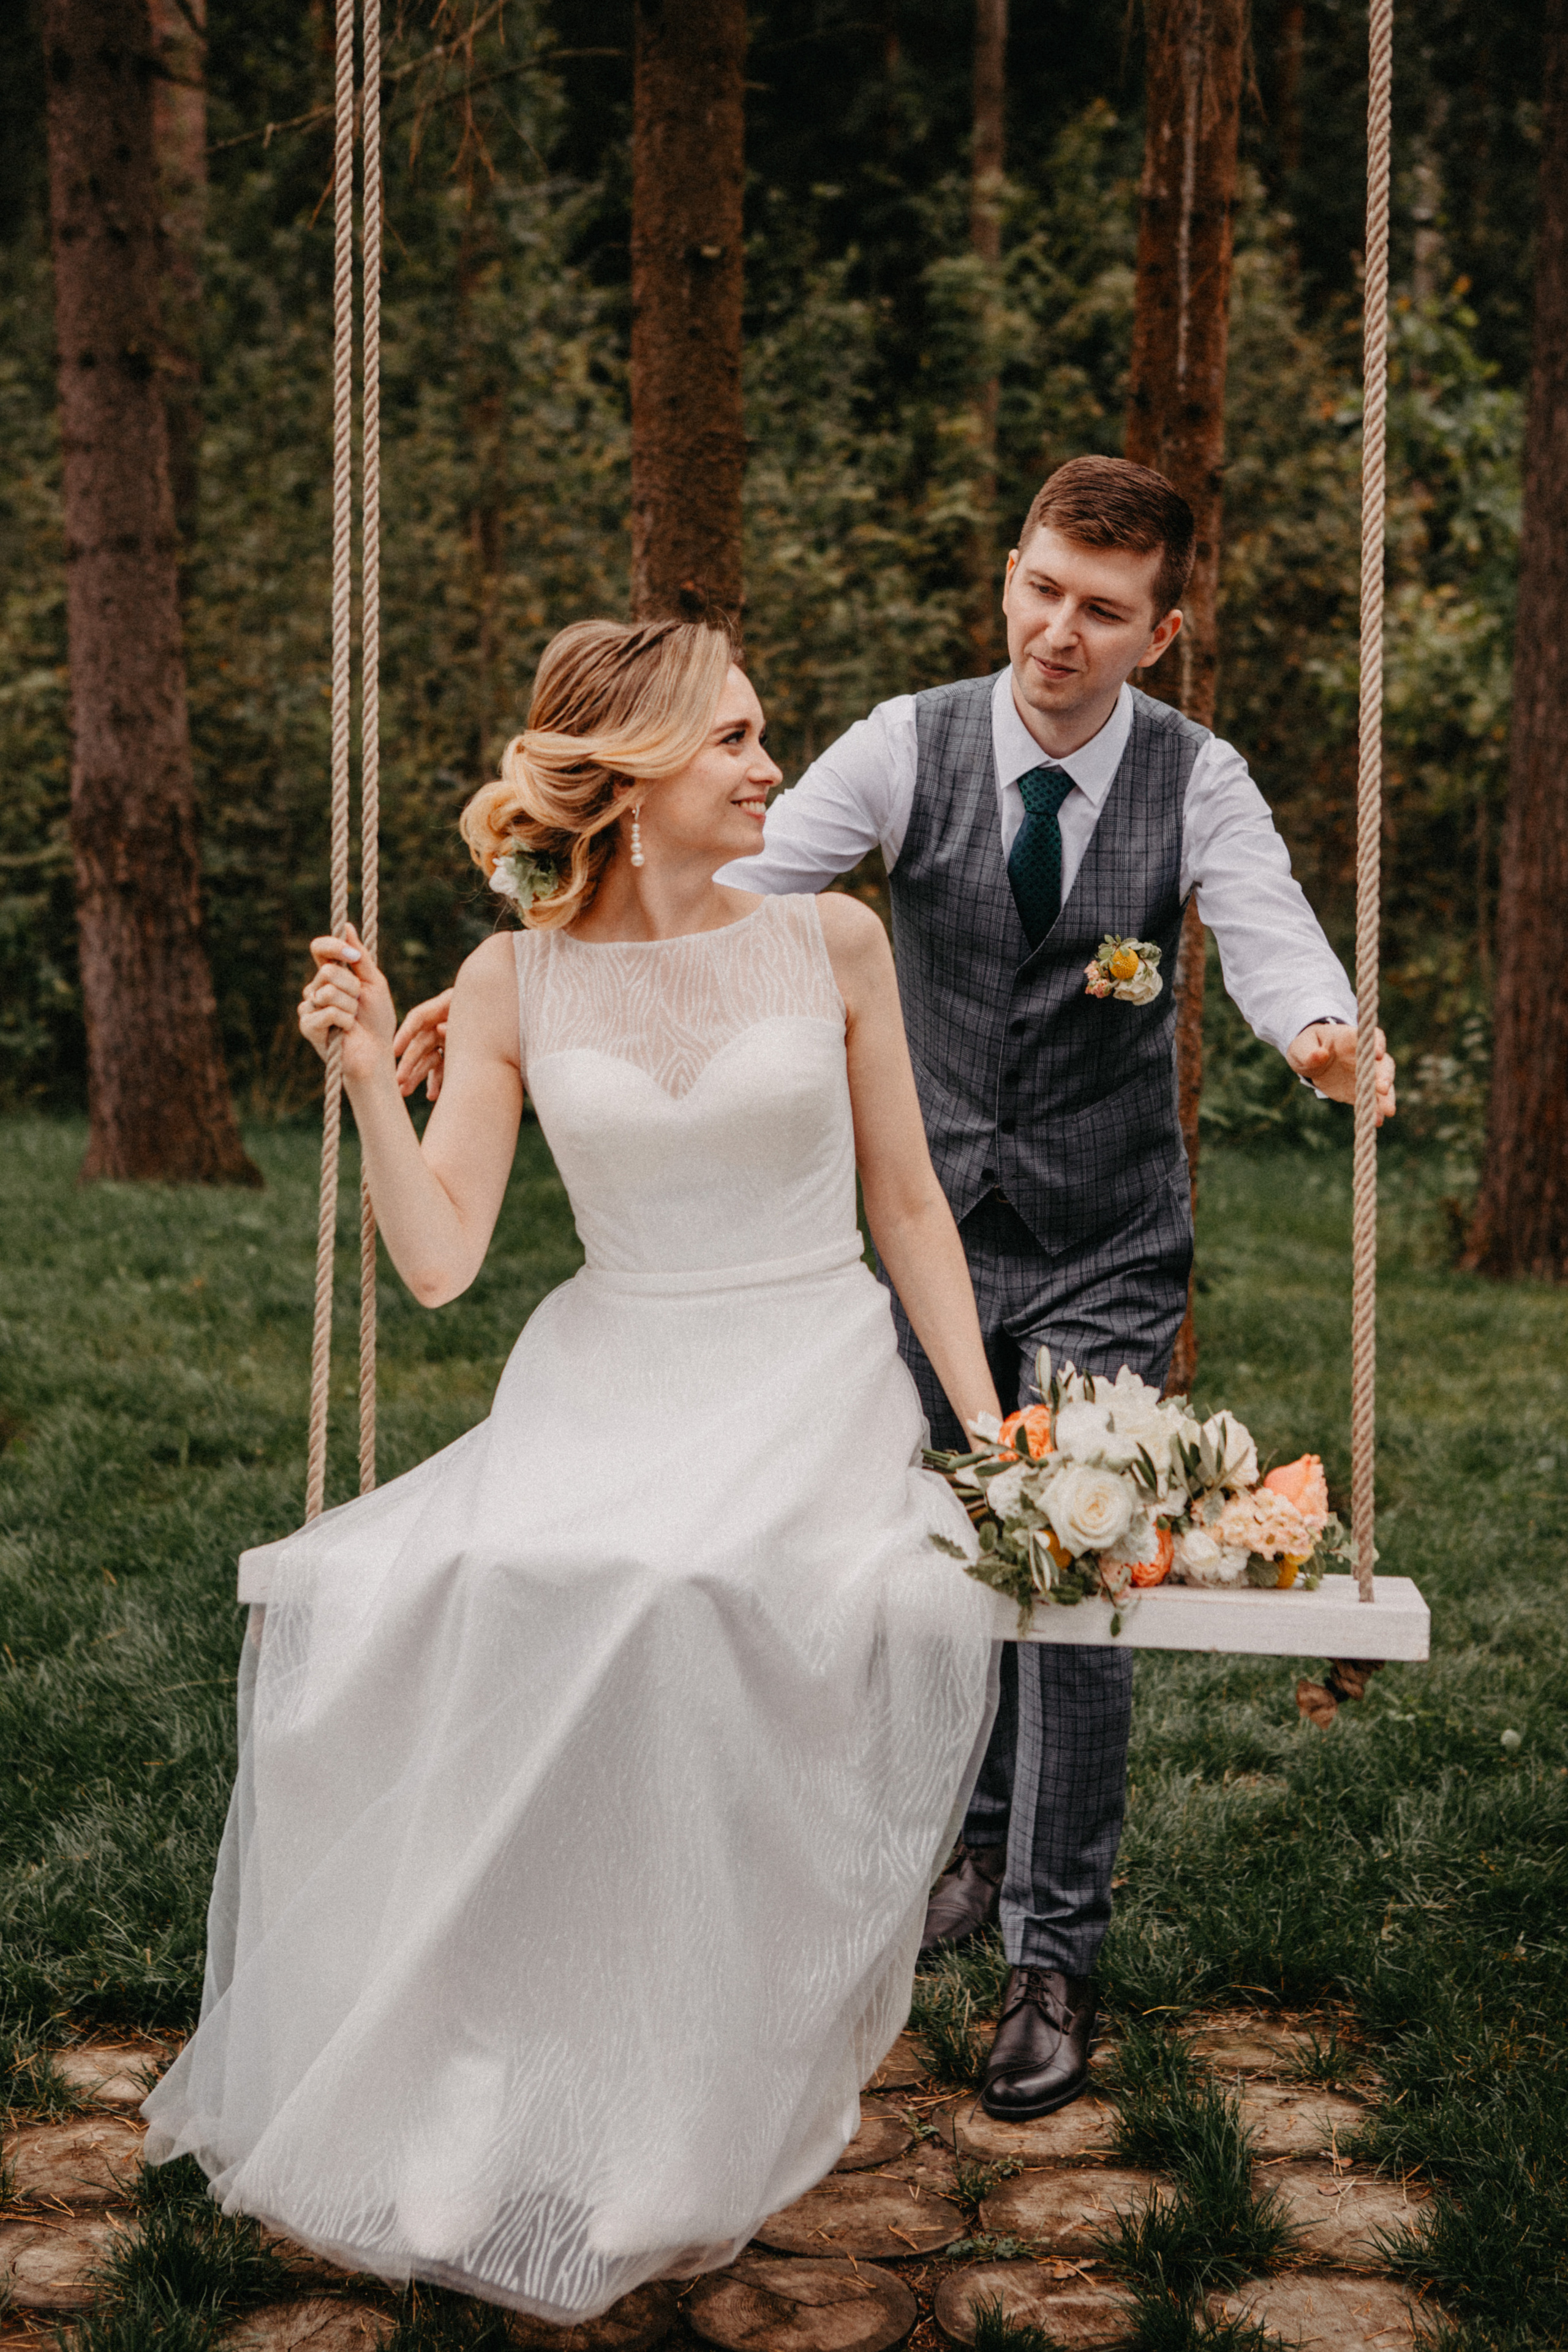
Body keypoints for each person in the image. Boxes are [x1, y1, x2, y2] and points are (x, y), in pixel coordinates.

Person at [396, 458, 1397, 2129]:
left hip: (1103, 1234)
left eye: (1101, 609)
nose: (1057, 632)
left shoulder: (1196, 781)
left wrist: (1314, 1031)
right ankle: (979, 1847)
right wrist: (499, 982)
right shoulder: (903, 748)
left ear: (1163, 629)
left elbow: (1275, 933)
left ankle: (1050, 1954)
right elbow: (700, 901)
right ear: (1011, 572)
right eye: (1040, 589)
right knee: (939, 1564)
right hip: (923, 1229)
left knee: (1072, 1570)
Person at [141, 619, 1005, 2325]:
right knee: (472, 1589)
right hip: (612, 1367)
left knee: (679, 1597)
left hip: (800, 1371)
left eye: (770, 737)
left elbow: (907, 1207)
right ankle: (508, 2074)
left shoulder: (833, 940)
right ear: (631, 776)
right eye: (738, 740)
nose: (774, 767)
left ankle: (678, 2099)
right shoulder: (516, 979)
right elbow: (448, 1258)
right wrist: (371, 1083)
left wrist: (991, 1439)